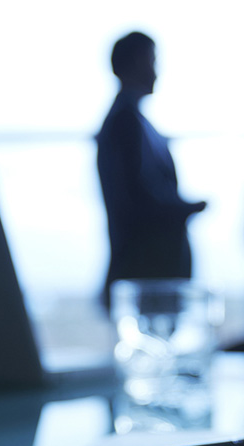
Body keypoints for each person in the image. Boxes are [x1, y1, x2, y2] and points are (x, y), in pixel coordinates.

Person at [96, 32, 206, 309]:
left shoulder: (134, 121)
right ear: (134, 63)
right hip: (145, 273)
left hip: (152, 273)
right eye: (152, 61)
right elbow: (136, 200)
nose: (156, 71)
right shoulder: (124, 123)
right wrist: (185, 209)